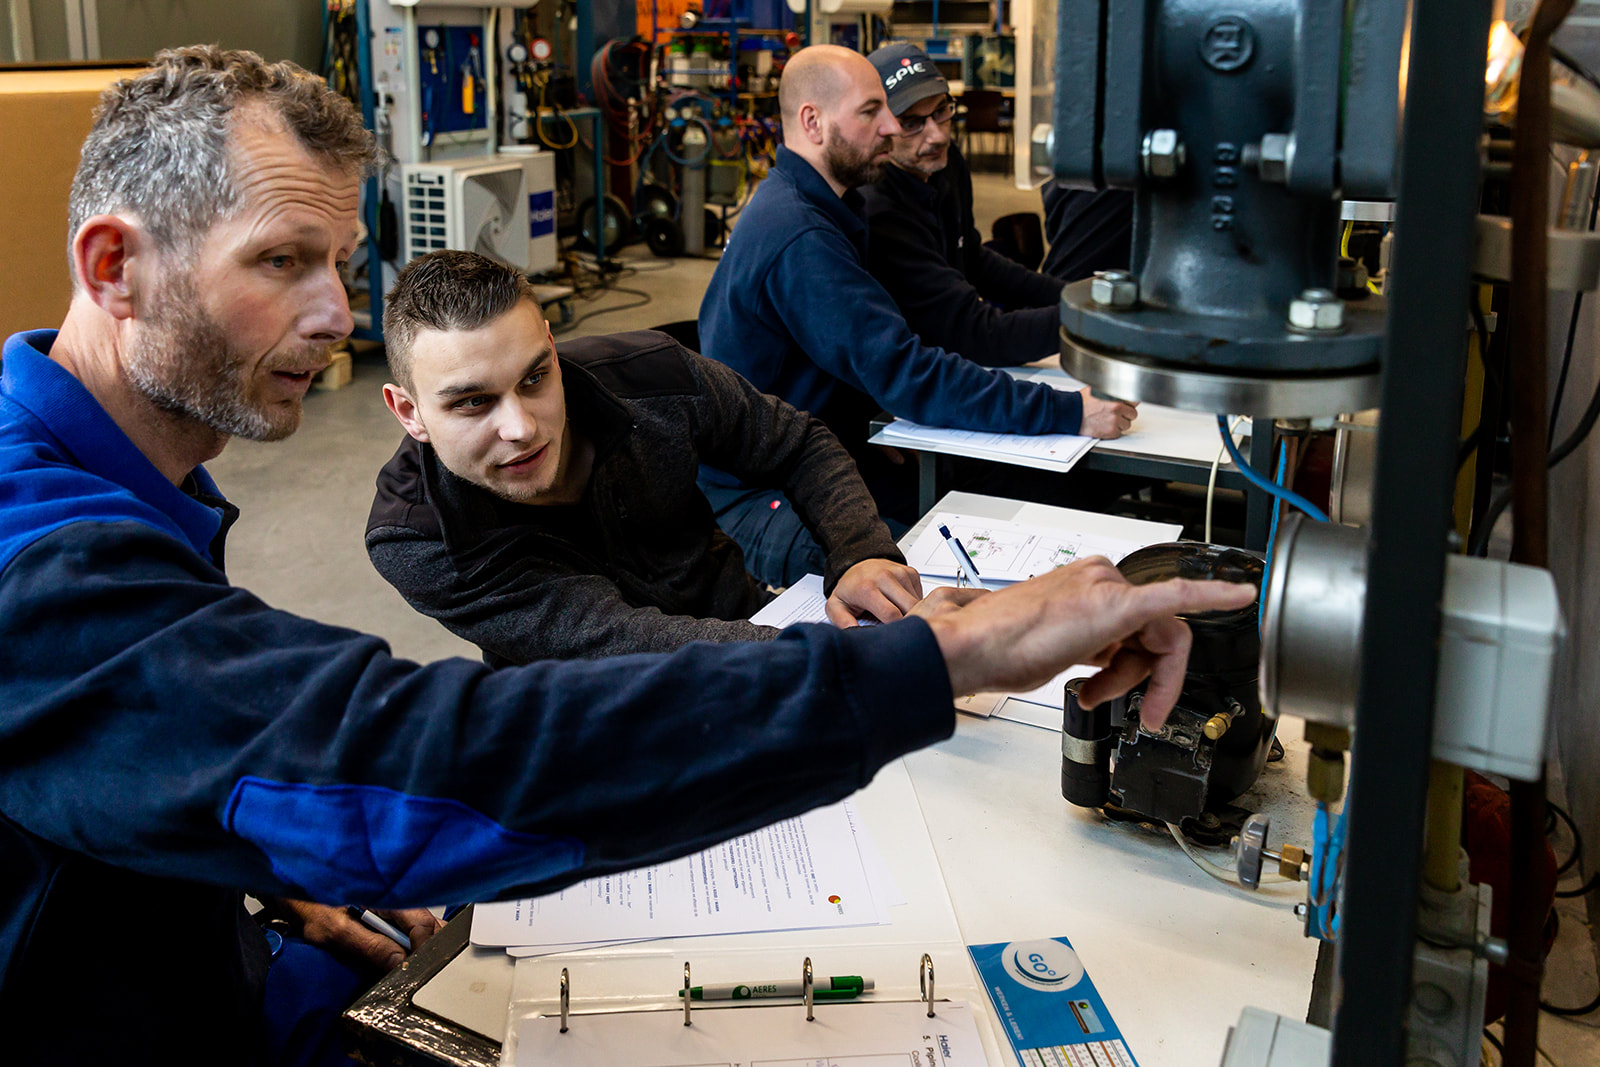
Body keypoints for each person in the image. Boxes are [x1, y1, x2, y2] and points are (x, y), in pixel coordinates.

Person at [0, 45, 1253, 1064]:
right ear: (115, 268)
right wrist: (958, 647)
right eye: (282, 263)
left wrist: (262, 890)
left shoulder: (143, 487)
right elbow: (399, 760)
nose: (336, 317)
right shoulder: (38, 555)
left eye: (337, 260)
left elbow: (154, 759)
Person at [368, 250, 925, 663]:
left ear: (551, 346)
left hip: (757, 625)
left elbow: (795, 442)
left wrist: (860, 553)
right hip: (603, 715)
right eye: (472, 402)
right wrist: (842, 657)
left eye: (535, 377)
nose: (520, 427)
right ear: (409, 411)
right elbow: (617, 641)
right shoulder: (418, 536)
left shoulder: (653, 376)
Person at [697, 44, 1137, 551]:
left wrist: (859, 419)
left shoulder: (830, 208)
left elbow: (853, 357)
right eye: (871, 112)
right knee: (935, 581)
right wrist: (1068, 412)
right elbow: (908, 372)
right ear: (813, 122)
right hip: (764, 497)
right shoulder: (801, 236)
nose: (890, 127)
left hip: (823, 454)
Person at [859, 42, 1065, 367]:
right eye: (911, 122)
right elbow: (973, 334)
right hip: (910, 384)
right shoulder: (878, 208)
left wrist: (1070, 297)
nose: (937, 135)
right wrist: (1087, 321)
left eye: (941, 110)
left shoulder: (946, 163)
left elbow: (970, 255)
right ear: (879, 126)